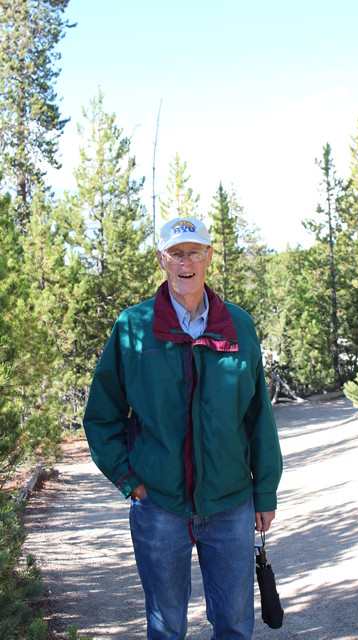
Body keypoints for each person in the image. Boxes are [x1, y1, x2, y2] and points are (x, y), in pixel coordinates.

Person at [83, 217, 282, 640]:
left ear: (208, 257)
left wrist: (264, 491)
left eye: (194, 252)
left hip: (230, 504)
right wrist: (128, 479)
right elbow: (102, 415)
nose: (185, 262)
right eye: (176, 253)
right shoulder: (133, 328)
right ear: (162, 260)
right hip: (159, 506)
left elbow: (259, 417)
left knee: (233, 625)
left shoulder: (238, 326)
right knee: (166, 625)